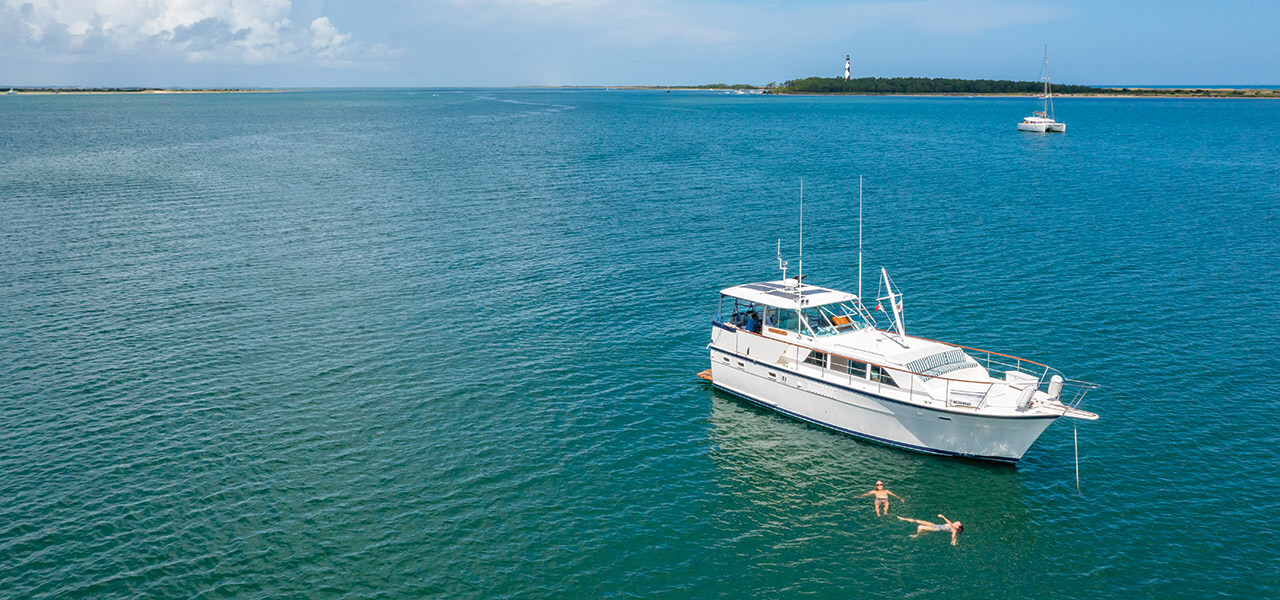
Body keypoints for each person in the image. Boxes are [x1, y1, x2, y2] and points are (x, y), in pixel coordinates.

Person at [897, 514, 964, 545]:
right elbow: (948, 521)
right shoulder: (952, 524)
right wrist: (943, 516)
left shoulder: (954, 529)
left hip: (936, 528)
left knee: (920, 527)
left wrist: (953, 541)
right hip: (935, 525)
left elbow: (953, 535)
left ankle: (917, 535)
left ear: (957, 527)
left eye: (957, 523)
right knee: (918, 521)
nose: (955, 522)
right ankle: (903, 518)